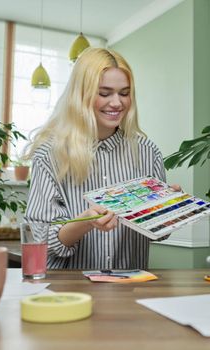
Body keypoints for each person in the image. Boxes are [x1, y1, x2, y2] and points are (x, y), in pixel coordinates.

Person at [24, 47, 167, 270]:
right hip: (69, 292)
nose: (117, 103)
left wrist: (168, 209)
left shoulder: (148, 153)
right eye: (104, 93)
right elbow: (40, 240)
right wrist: (84, 223)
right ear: (81, 95)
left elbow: (158, 233)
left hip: (128, 290)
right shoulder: (50, 155)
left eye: (124, 93)